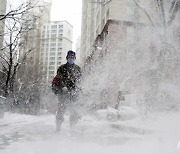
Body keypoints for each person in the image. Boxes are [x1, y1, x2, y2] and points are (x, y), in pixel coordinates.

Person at [52, 50, 81, 131]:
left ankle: (73, 128)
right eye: (69, 57)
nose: (71, 58)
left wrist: (78, 90)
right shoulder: (62, 68)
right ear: (67, 58)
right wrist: (63, 87)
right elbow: (59, 79)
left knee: (74, 112)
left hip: (73, 94)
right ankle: (58, 127)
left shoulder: (78, 69)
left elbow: (79, 81)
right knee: (61, 111)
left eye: (73, 57)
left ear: (75, 58)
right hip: (63, 94)